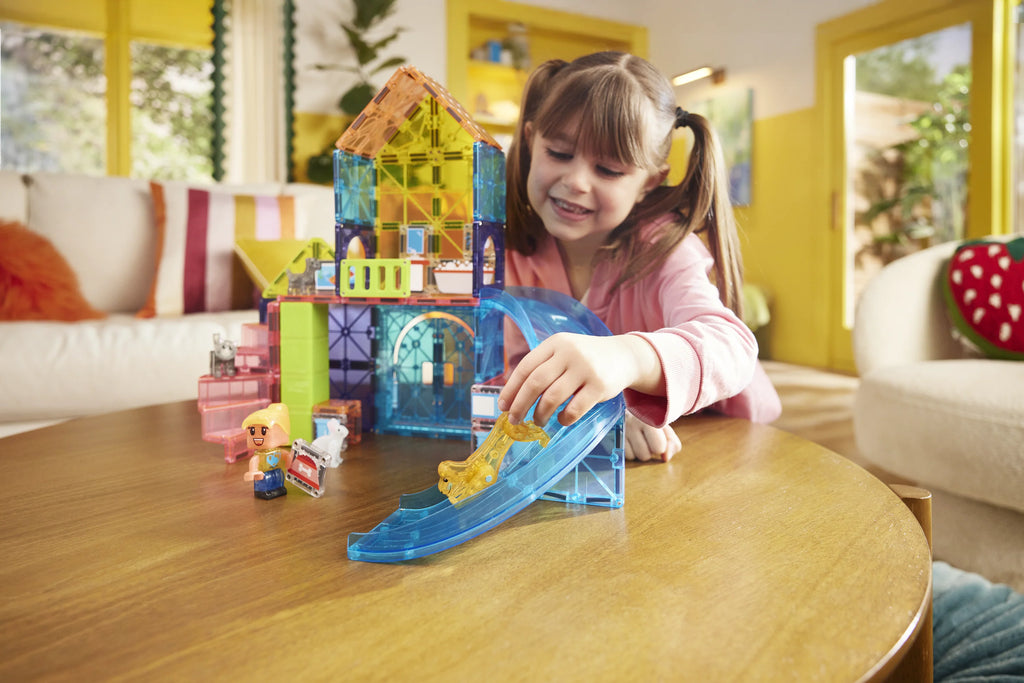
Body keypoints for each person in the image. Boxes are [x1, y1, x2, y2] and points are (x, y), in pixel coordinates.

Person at [495, 51, 782, 463]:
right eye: (558, 153)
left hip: (719, 447)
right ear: (529, 141)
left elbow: (733, 348)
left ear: (650, 181)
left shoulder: (665, 249)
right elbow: (513, 378)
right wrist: (603, 415)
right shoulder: (513, 254)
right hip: (596, 462)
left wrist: (626, 357)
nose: (575, 182)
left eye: (608, 170)